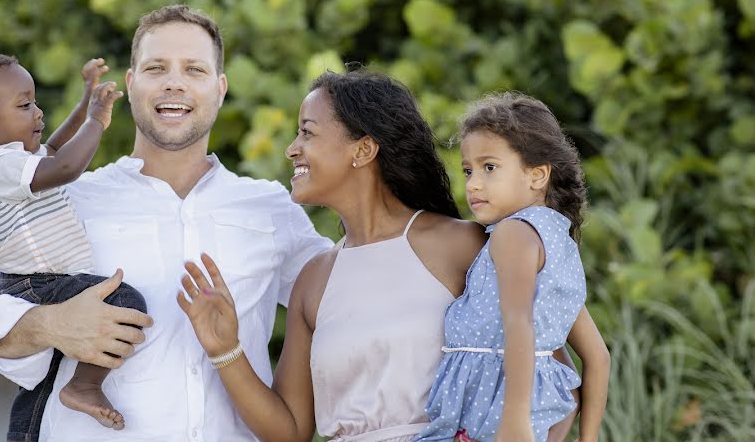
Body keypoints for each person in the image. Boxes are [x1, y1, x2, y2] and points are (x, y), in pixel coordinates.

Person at [0, 5, 333, 441]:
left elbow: (348, 298)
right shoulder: (69, 197)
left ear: (220, 89)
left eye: (194, 69)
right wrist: (52, 325)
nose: (174, 82)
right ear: (130, 85)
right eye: (156, 67)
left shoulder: (269, 208)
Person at [178, 70, 506, 442]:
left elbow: (547, 372)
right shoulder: (314, 279)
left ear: (363, 149)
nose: (292, 148)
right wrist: (226, 350)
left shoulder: (463, 246)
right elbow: (290, 432)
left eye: (307, 131)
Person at [0, 53, 147, 440]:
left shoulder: (11, 160)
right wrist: (97, 118)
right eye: (25, 104)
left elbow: (54, 147)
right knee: (125, 303)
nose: (38, 112)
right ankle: (83, 385)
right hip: (38, 282)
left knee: (40, 387)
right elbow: (66, 166)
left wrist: (85, 101)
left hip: (39, 280)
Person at [411, 92, 611, 442]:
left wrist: (514, 422)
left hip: (491, 421)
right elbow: (598, 356)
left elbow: (519, 324)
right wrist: (588, 437)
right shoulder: (557, 243)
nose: (473, 183)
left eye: (490, 168)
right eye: (468, 170)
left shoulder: (512, 234)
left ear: (537, 175)